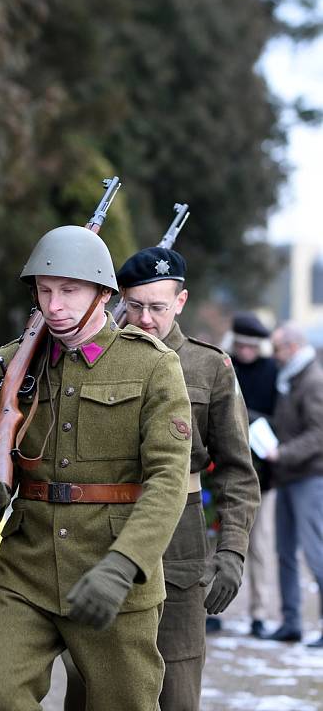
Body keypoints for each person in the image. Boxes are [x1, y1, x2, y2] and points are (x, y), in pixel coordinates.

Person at [0, 225, 192, 711]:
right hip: (29, 566)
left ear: (104, 295)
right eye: (44, 291)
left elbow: (168, 481)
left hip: (112, 570)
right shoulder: (11, 362)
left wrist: (125, 564)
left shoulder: (152, 365)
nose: (54, 305)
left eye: (68, 290)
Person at [113, 247, 260, 711]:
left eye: (157, 307)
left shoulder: (208, 366)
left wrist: (232, 550)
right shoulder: (97, 358)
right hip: (103, 531)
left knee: (175, 684)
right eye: (134, 305)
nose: (145, 318)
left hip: (178, 541)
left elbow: (238, 470)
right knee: (101, 687)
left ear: (180, 302)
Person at [264, 321, 323, 647]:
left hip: (309, 478)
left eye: (277, 349)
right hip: (287, 477)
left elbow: (319, 434)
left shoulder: (313, 381)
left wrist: (282, 452)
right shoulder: (290, 379)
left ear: (293, 348)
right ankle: (291, 623)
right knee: (284, 552)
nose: (274, 356)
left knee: (316, 553)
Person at [229, 312, 278, 638]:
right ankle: (211, 609)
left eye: (251, 346)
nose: (245, 351)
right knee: (216, 543)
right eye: (241, 345)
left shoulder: (273, 372)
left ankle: (259, 612)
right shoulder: (225, 365)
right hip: (224, 472)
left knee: (259, 546)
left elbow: (281, 418)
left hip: (264, 475)